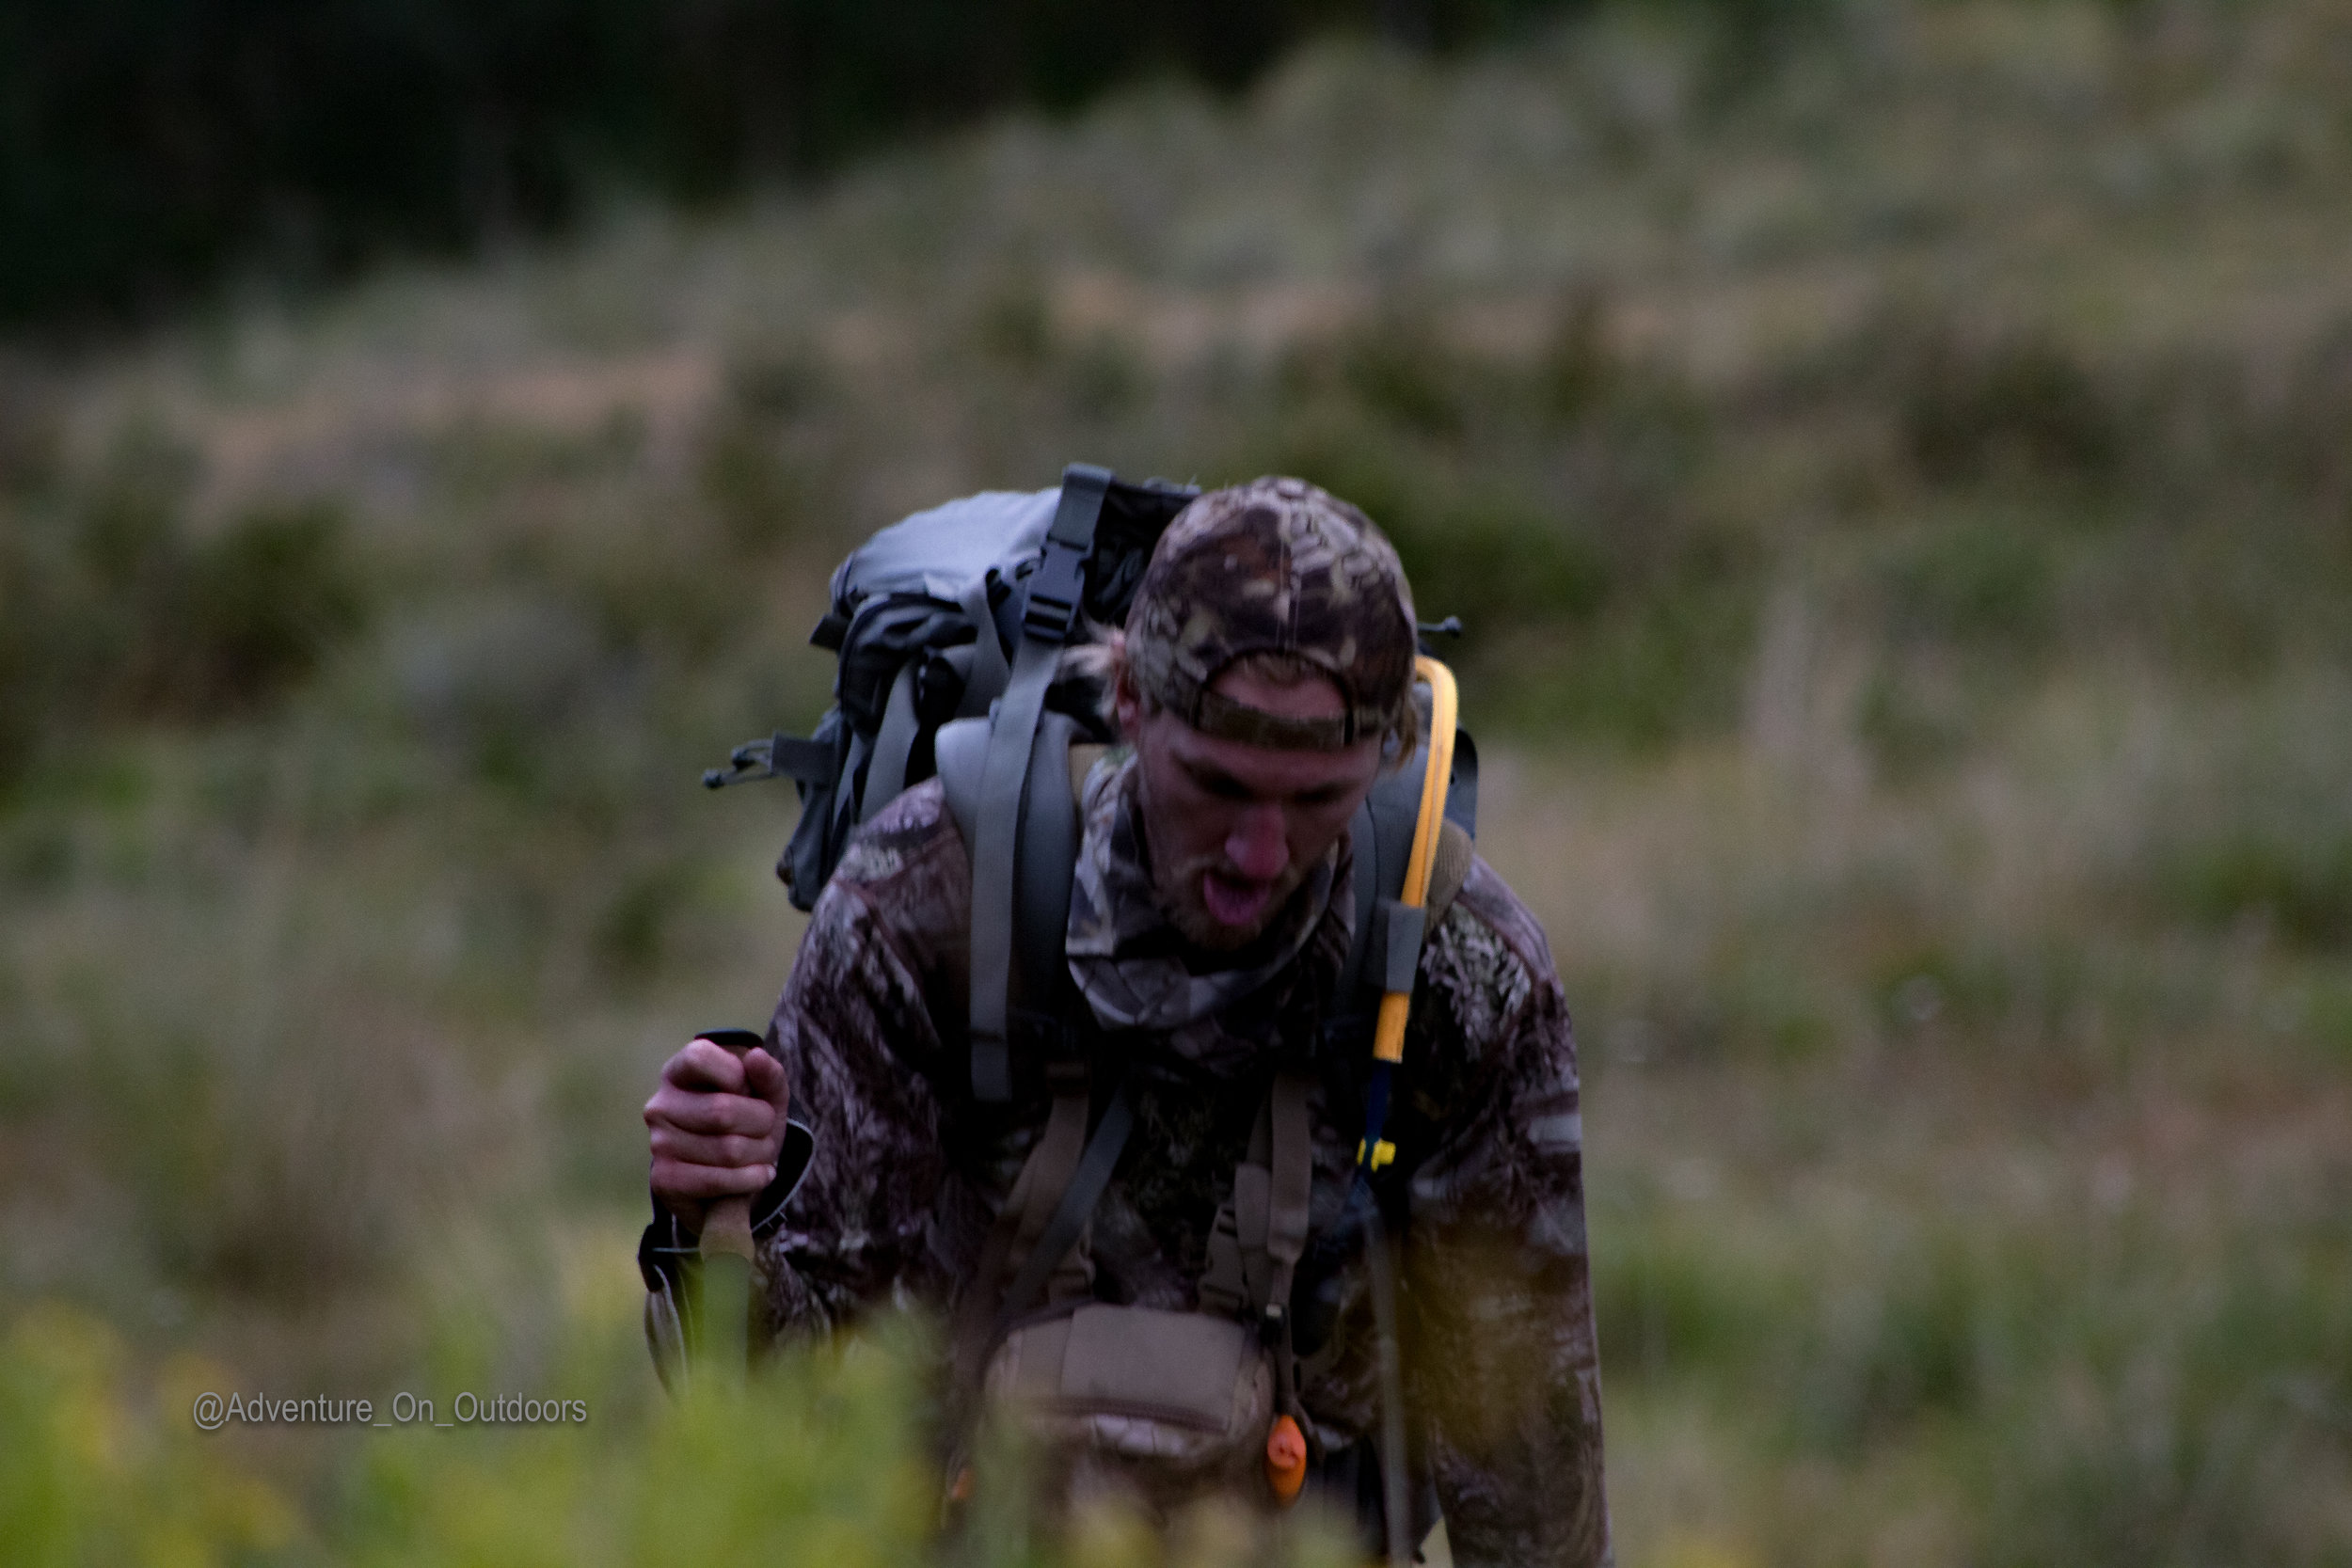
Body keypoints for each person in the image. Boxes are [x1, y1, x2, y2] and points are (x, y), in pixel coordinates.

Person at [639, 477, 1611, 1565]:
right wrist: (710, 1219)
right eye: (1217, 783)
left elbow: (1528, 1455)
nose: (1258, 853)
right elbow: (781, 1409)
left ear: (1389, 757)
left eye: (1313, 798)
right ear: (1128, 704)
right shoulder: (929, 900)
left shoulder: (1457, 971)